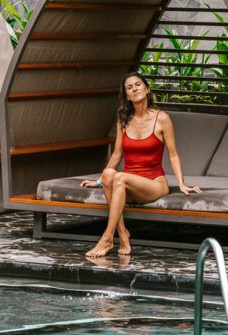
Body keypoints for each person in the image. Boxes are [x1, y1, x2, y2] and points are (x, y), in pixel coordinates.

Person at [81, 71, 200, 259]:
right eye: (129, 87)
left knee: (118, 177)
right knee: (110, 174)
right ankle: (123, 234)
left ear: (147, 88)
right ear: (127, 96)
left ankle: (107, 237)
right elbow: (117, 154)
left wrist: (182, 183)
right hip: (128, 184)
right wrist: (100, 180)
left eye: (137, 84)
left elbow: (173, 154)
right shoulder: (123, 118)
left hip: (154, 183)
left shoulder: (162, 118)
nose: (134, 89)